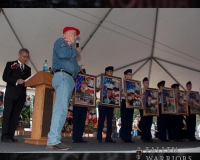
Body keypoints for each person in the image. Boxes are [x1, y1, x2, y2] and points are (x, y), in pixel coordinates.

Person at [46, 26, 82, 150]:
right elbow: (62, 54)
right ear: (66, 34)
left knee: (62, 109)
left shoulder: (69, 48)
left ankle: (54, 139)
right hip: (63, 76)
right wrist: (76, 52)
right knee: (60, 109)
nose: (76, 37)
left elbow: (70, 61)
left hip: (68, 79)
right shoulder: (60, 42)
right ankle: (53, 140)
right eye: (74, 34)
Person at [1, 48, 31, 142]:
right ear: (19, 55)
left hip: (21, 95)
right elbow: (5, 77)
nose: (25, 59)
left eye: (27, 57)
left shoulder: (28, 68)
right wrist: (16, 81)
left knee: (15, 116)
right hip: (11, 94)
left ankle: (11, 136)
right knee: (7, 115)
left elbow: (28, 81)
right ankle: (5, 136)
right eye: (24, 56)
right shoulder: (11, 64)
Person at [96, 66, 116, 143]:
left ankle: (108, 138)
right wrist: (99, 88)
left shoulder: (114, 81)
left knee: (110, 121)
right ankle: (99, 138)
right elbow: (96, 89)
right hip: (102, 102)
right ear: (106, 72)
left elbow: (116, 92)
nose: (111, 73)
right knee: (101, 120)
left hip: (110, 103)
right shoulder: (101, 79)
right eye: (110, 71)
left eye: (112, 72)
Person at [72, 69, 88, 143]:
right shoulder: (75, 80)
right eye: (81, 73)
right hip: (77, 103)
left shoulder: (87, 84)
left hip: (84, 104)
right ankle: (75, 137)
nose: (82, 74)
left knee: (82, 121)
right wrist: (72, 96)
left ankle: (80, 137)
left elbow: (91, 92)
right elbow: (72, 89)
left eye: (84, 73)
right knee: (76, 120)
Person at [139, 77, 156, 143]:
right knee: (144, 122)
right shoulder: (141, 90)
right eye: (146, 82)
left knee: (149, 122)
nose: (147, 83)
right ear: (143, 83)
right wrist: (142, 96)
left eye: (148, 82)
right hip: (143, 108)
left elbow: (153, 99)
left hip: (149, 108)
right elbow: (138, 98)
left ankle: (149, 137)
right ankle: (144, 137)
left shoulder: (151, 91)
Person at [120, 69, 134, 143]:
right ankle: (124, 136)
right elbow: (117, 94)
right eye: (129, 74)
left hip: (131, 102)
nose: (130, 76)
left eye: (131, 74)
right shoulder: (122, 84)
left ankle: (129, 137)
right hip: (124, 102)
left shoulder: (133, 84)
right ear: (125, 75)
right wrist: (123, 94)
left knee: (130, 120)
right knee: (124, 119)